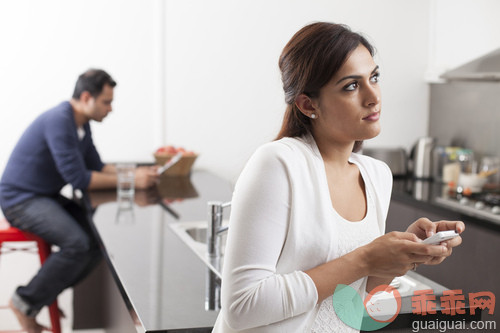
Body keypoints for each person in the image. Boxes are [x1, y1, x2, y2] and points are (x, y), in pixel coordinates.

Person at [212, 22, 464, 332]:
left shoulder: (376, 176)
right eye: (351, 85)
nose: (373, 97)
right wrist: (366, 259)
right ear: (308, 104)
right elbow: (242, 306)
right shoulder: (279, 164)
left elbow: (351, 298)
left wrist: (404, 255)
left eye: (374, 77)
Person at [0, 69, 159, 333]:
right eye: (107, 102)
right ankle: (25, 301)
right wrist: (131, 180)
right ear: (87, 97)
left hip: (43, 196)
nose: (110, 109)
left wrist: (136, 174)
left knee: (97, 241)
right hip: (20, 199)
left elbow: (96, 166)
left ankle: (42, 294)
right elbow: (79, 179)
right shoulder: (60, 121)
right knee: (77, 243)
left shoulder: (80, 124)